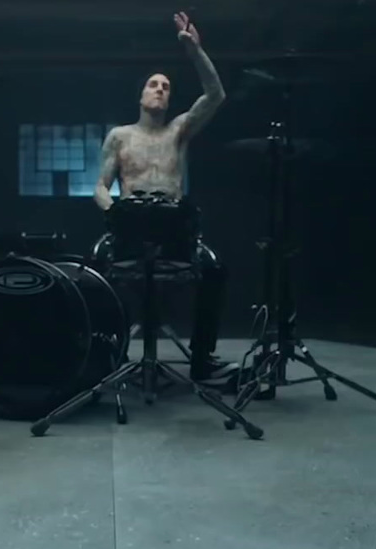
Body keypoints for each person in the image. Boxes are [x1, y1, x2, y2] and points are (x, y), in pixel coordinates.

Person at [94, 11, 233, 385]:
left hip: (172, 229)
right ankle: (110, 354)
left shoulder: (179, 130)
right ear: (140, 95)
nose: (159, 89)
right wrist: (114, 212)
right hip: (129, 227)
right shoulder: (120, 135)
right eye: (153, 84)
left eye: (166, 86)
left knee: (215, 268)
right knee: (93, 269)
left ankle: (202, 359)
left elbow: (216, 95)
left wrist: (195, 51)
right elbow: (100, 187)